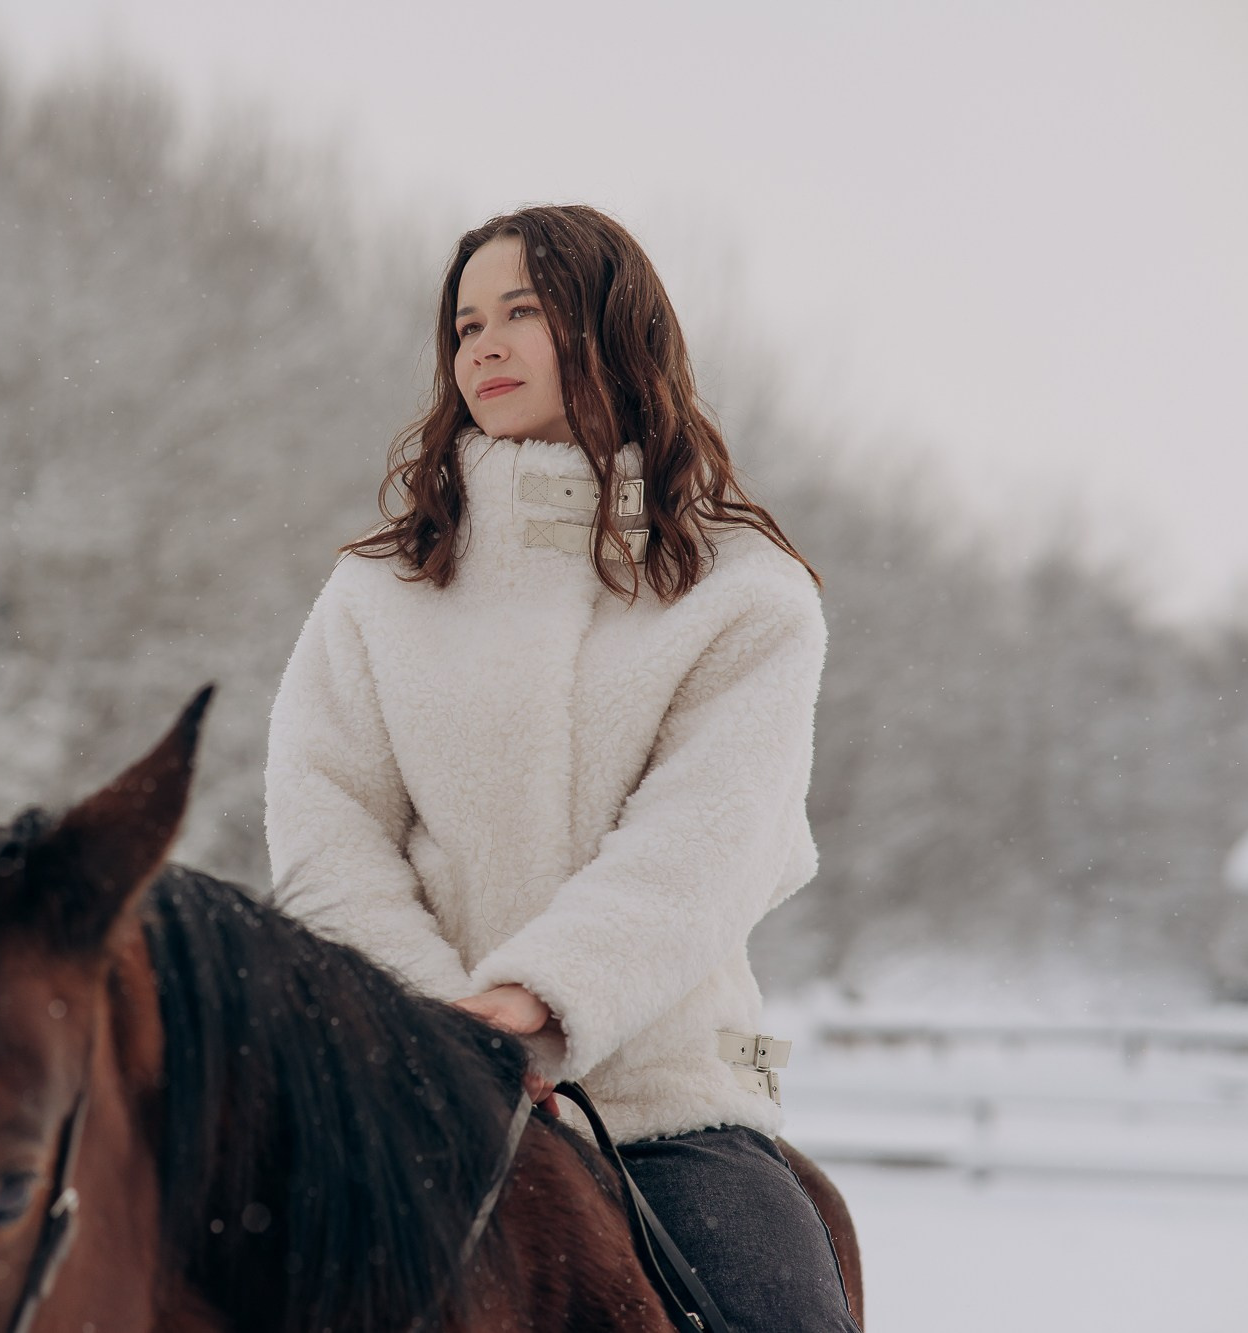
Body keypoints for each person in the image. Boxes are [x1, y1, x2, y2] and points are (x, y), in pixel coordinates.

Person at [261, 204, 856, 1331]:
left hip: (658, 1103)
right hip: (396, 1091)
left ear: (608, 329)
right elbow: (322, 821)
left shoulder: (747, 594)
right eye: (463, 322)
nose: (479, 344)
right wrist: (437, 1031)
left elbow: (706, 841)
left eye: (520, 313)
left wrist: (541, 1001)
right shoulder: (380, 588)